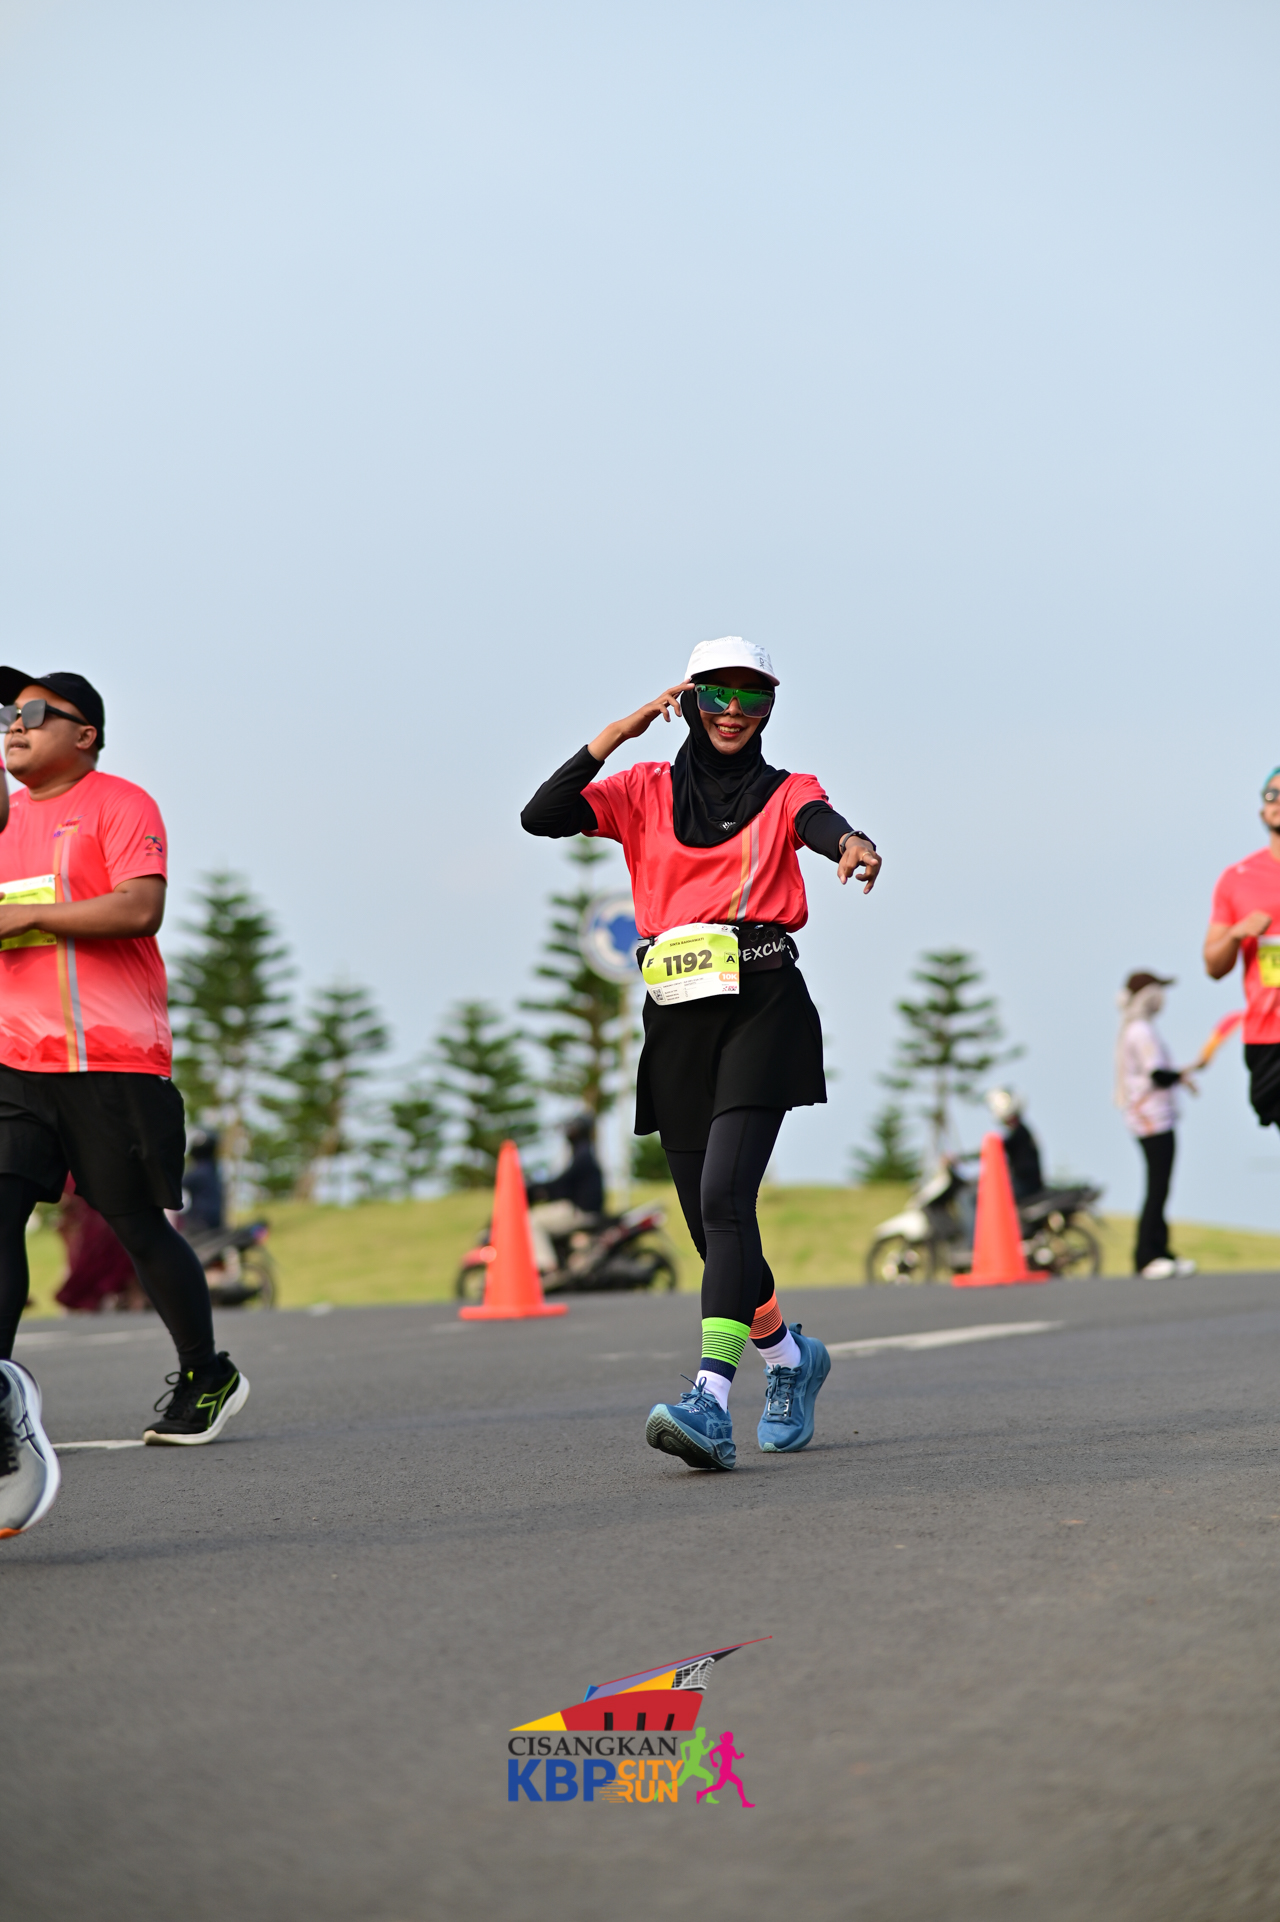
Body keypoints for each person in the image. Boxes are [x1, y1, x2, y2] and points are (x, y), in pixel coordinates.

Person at [522, 635, 881, 1470]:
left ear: (769, 709)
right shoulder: (641, 789)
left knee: (725, 1198)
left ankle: (710, 1403)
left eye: (752, 697)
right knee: (710, 1226)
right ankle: (790, 1359)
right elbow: (542, 815)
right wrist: (618, 732)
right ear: (686, 701)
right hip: (678, 1017)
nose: (733, 712)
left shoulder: (788, 790)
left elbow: (819, 823)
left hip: (762, 1005)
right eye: (717, 694)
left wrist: (851, 843)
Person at [0, 668, 247, 1540]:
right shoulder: (1, 821)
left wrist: (19, 920)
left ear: (87, 734)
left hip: (112, 1056)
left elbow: (140, 909)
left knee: (137, 1226)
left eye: (36, 713)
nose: (15, 724)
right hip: (14, 1061)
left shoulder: (119, 804)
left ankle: (207, 1371)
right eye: (8, 714)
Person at [1204, 767, 1280, 1134]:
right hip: (1268, 1035)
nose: (1278, 802)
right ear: (1261, 810)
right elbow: (1213, 967)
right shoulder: (1237, 879)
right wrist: (1236, 933)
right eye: (1271, 795)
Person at [1115, 971, 1197, 1279]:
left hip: (1152, 1114)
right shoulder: (1141, 1031)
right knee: (1157, 1185)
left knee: (1161, 1185)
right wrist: (1181, 1075)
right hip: (1151, 1117)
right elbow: (1157, 1074)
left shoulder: (1135, 1029)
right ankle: (1146, 1255)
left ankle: (1160, 1250)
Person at [525, 1113, 604, 1275]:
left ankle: (547, 1266)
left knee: (531, 1220)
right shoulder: (583, 1153)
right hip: (582, 1209)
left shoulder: (582, 1155)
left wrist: (541, 1188)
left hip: (580, 1211)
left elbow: (563, 1182)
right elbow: (566, 1184)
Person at [985, 1088, 1044, 1202]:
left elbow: (999, 1146)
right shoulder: (1022, 1131)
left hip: (1025, 1185)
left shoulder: (1019, 1132)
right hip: (1028, 1183)